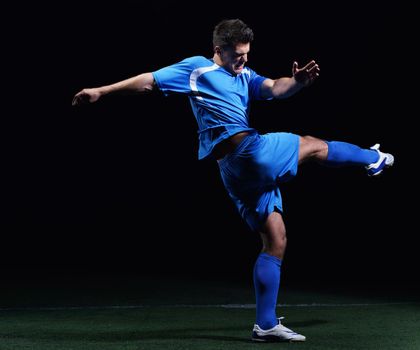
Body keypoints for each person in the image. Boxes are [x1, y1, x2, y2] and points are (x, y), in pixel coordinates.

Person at [72, 18, 394, 342]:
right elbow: (149, 81)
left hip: (234, 172)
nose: (244, 59)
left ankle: (265, 324)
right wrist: (102, 90)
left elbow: (274, 89)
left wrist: (296, 83)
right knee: (311, 144)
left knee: (275, 238)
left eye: (247, 53)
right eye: (238, 54)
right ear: (218, 50)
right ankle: (373, 159)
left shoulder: (244, 76)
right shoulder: (198, 70)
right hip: (249, 153)